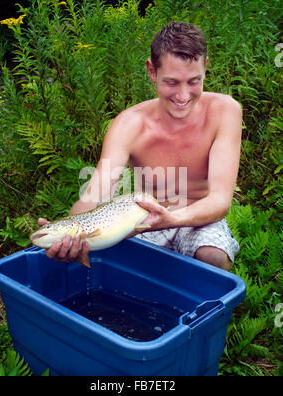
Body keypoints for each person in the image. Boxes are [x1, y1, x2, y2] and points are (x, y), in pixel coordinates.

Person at [39, 21, 242, 271]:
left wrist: (172, 219)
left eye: (193, 81)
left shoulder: (226, 111)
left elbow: (220, 201)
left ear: (206, 67)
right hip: (144, 221)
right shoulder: (128, 125)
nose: (183, 95)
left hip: (201, 218)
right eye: (171, 82)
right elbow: (94, 195)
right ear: (151, 71)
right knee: (111, 264)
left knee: (214, 257)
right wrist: (71, 233)